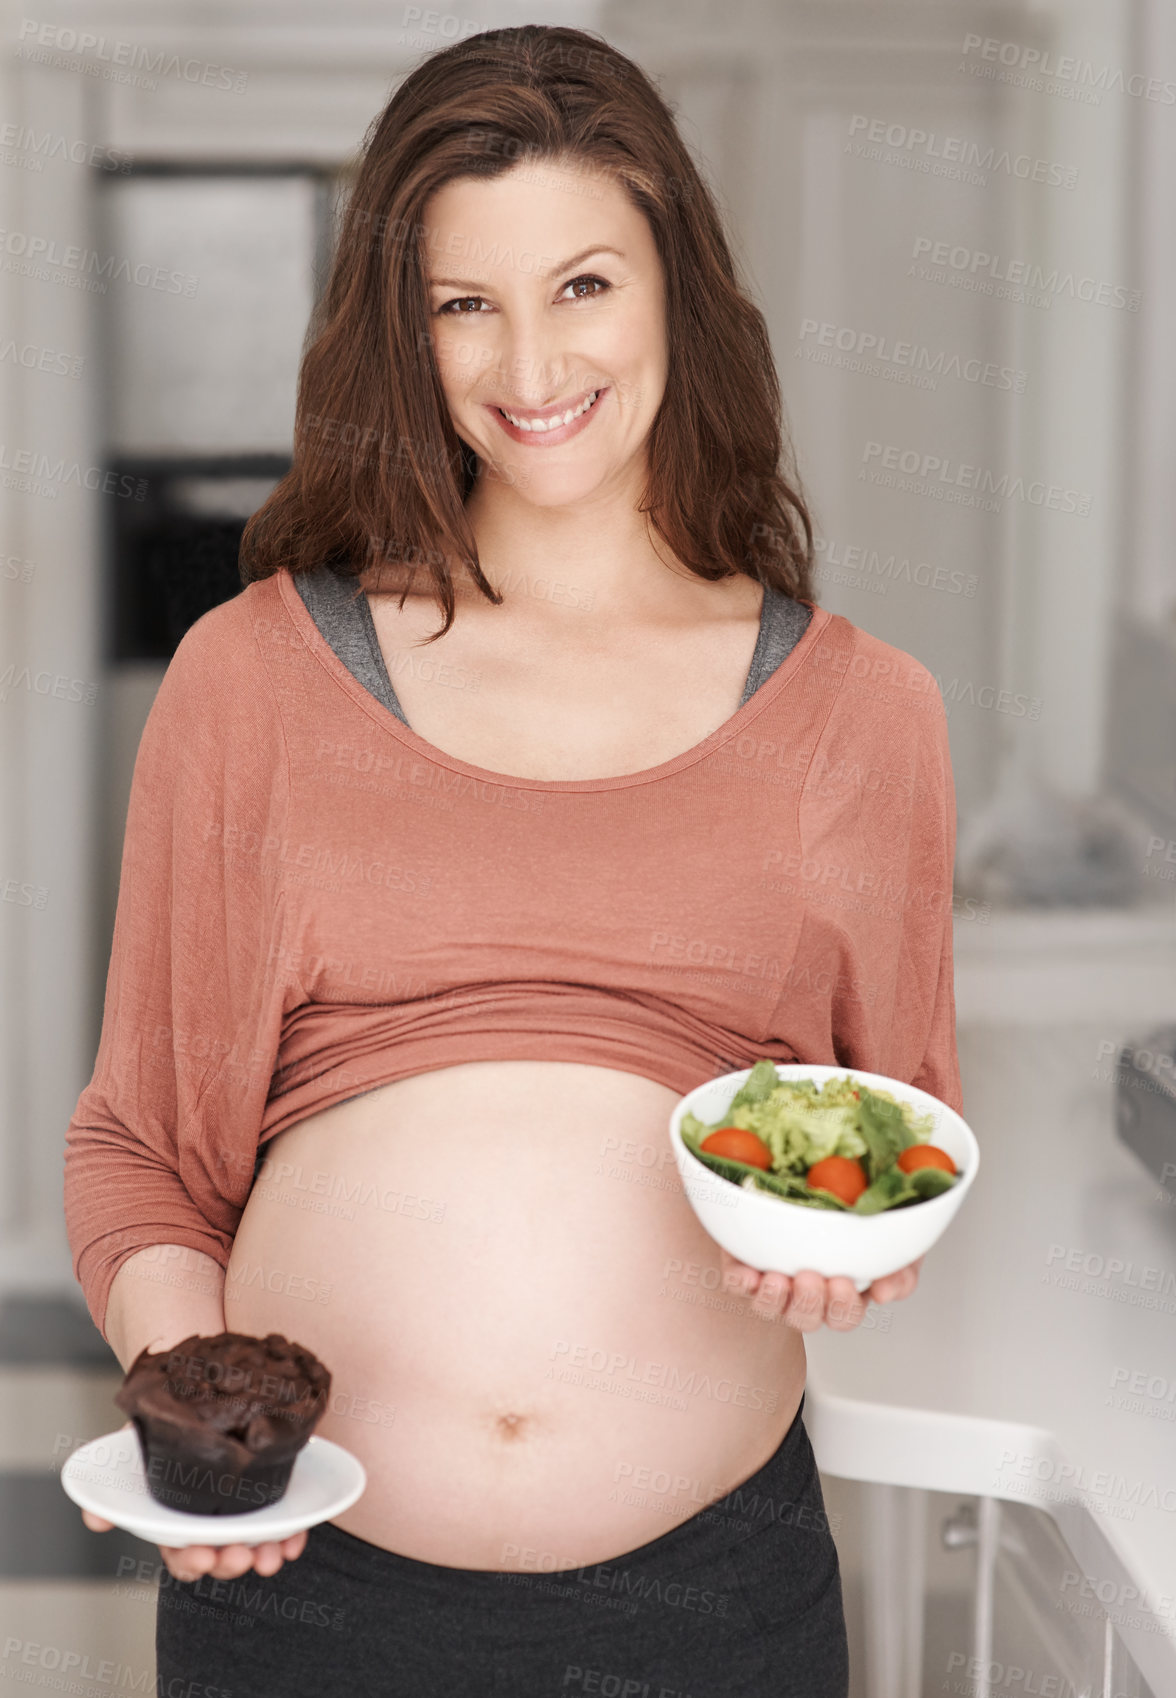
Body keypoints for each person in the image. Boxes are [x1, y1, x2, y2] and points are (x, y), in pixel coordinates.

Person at [64, 24, 961, 1698]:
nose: (529, 357)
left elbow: (893, 1146)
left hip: (713, 1610)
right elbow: (141, 1149)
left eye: (584, 284)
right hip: (303, 1596)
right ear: (401, 336)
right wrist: (192, 1397)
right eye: (462, 301)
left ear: (677, 292)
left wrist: (839, 1254)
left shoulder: (863, 718)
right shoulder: (253, 680)